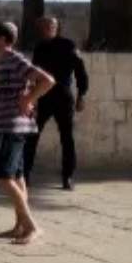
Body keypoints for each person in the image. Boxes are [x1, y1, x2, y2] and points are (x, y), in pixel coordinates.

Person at [0, 21, 55, 246]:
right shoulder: (3, 61)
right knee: (17, 176)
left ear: (2, 39)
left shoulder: (14, 59)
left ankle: (32, 226)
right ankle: (20, 226)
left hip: (11, 127)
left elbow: (47, 80)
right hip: (12, 126)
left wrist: (28, 99)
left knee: (3, 177)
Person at [28, 16, 90, 190]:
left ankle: (67, 176)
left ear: (56, 27)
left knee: (67, 137)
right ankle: (25, 173)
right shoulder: (39, 47)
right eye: (44, 26)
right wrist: (32, 98)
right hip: (43, 96)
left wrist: (81, 95)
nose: (48, 28)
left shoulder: (68, 45)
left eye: (51, 25)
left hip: (63, 96)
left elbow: (80, 70)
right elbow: (33, 73)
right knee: (32, 135)